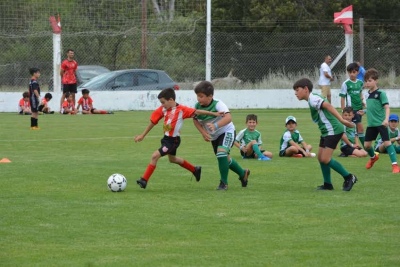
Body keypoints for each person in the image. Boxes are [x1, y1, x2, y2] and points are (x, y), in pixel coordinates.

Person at [134, 88, 222, 189]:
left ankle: (144, 180)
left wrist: (214, 114)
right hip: (166, 139)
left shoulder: (182, 110)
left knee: (155, 156)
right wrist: (142, 135)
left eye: (163, 102)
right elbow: (153, 122)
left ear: (171, 100)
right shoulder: (163, 109)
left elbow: (198, 112)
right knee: (173, 159)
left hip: (173, 141)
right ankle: (195, 169)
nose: (162, 105)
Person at [293, 78, 357, 191]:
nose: (295, 93)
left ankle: (349, 177)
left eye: (297, 90)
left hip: (333, 130)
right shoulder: (312, 99)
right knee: (320, 158)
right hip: (326, 131)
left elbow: (328, 106)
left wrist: (342, 120)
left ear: (306, 89)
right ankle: (327, 184)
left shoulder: (313, 99)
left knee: (326, 159)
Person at [193, 81, 250, 190]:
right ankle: (243, 173)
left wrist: (215, 125)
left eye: (201, 96)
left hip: (226, 131)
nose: (198, 99)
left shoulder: (218, 104)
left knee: (221, 154)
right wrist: (203, 133)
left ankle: (224, 183)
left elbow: (228, 118)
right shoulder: (197, 107)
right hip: (214, 137)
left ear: (210, 96)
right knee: (225, 159)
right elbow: (195, 120)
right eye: (197, 96)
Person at [363, 68, 400, 173]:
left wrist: (386, 119)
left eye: (370, 80)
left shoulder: (380, 93)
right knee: (367, 146)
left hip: (381, 123)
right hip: (371, 125)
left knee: (387, 143)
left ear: (376, 80)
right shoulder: (367, 94)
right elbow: (372, 108)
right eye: (366, 81)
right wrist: (364, 111)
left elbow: (387, 107)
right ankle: (373, 157)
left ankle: (395, 166)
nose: (368, 83)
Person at [339, 62, 366, 147]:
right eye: (350, 72)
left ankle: (353, 145)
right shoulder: (346, 83)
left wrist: (363, 102)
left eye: (354, 72)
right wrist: (343, 110)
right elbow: (342, 97)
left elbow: (360, 93)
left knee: (355, 129)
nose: (351, 74)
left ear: (358, 72)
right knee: (360, 128)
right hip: (352, 110)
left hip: (359, 108)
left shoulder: (360, 83)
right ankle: (366, 148)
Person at [60, 49, 78, 113]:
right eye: (70, 53)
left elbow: (75, 71)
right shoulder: (64, 62)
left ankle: (73, 109)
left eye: (72, 53)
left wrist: (75, 78)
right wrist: (64, 78)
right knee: (64, 94)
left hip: (73, 81)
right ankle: (61, 109)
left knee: (73, 95)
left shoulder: (75, 62)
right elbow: (61, 72)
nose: (72, 54)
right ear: (67, 54)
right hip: (66, 81)